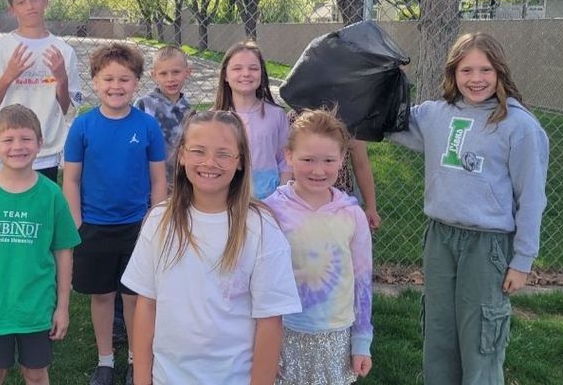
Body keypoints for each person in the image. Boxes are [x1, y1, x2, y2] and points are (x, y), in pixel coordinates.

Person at [385, 33, 550, 385]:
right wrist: (383, 78)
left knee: (480, 341)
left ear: (500, 72)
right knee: (439, 334)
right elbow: (386, 122)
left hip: (486, 245)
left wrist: (522, 260)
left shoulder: (519, 127)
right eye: (466, 70)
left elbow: (532, 198)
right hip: (440, 239)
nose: (476, 79)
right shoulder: (434, 115)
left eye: (485, 70)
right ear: (453, 74)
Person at [121, 109, 301, 385]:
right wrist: (142, 379)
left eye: (224, 153)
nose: (209, 162)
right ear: (181, 156)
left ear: (240, 161)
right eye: (198, 151)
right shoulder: (159, 220)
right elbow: (146, 305)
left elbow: (270, 322)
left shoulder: (262, 228)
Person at [62, 43, 167, 385]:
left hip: (137, 226)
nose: (116, 86)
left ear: (136, 82)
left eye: (124, 79)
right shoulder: (82, 126)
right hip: (93, 226)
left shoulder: (147, 126)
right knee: (103, 294)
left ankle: (137, 358)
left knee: (135, 295)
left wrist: (155, 221)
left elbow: (158, 179)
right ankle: (105, 360)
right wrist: (76, 223)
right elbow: (72, 179)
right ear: (95, 81)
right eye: (108, 79)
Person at [0, 104, 80, 385]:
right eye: (8, 140)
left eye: (26, 139)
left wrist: (62, 306)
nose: (17, 147)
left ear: (40, 144)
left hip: (36, 306)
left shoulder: (51, 195)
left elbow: (64, 252)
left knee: (35, 374)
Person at [265, 107, 374, 384]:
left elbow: (362, 282)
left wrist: (361, 342)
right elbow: (257, 279)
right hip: (282, 332)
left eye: (328, 160)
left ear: (341, 160)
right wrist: (261, 340)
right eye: (308, 159)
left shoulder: (352, 215)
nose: (318, 169)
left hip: (336, 334)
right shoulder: (270, 212)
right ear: (289, 156)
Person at [0, 0, 83, 182]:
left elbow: (66, 109)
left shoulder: (63, 51)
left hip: (44, 152)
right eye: (21, 1)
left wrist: (61, 79)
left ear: (45, 1)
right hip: (5, 150)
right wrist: (8, 76)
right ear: (12, 9)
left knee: (39, 210)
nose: (29, 6)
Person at [213, 42, 288, 200]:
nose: (246, 73)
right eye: (237, 68)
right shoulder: (212, 119)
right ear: (225, 75)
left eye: (253, 68)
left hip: (270, 201)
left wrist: (280, 197)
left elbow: (286, 161)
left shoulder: (277, 115)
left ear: (262, 73)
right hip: (226, 198)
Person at [135, 45, 192, 186]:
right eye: (163, 73)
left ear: (188, 72)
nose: (170, 78)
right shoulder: (144, 105)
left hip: (182, 181)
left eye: (176, 72)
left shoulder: (190, 110)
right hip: (149, 180)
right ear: (154, 75)